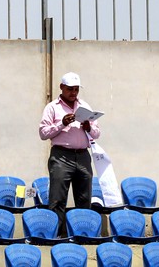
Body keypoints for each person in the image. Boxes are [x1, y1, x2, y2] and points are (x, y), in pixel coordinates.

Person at [38, 71, 101, 237]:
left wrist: (89, 128)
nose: (73, 93)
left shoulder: (85, 106)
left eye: (76, 90)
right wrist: (61, 123)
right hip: (61, 156)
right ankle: (56, 235)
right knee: (58, 198)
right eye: (70, 89)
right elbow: (43, 133)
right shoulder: (52, 107)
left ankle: (82, 234)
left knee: (84, 197)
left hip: (82, 156)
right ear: (61, 87)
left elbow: (97, 133)